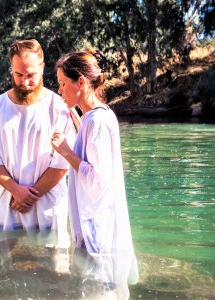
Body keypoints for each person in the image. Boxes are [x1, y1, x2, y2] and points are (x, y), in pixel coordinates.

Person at [51, 48, 139, 298]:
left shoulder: (96, 122)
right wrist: (77, 118)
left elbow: (97, 180)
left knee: (97, 290)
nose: (59, 90)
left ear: (81, 82)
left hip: (98, 232)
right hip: (103, 226)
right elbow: (93, 154)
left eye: (62, 84)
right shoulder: (100, 116)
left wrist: (66, 151)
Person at [0, 39, 75, 253]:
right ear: (11, 70)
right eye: (18, 75)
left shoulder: (58, 107)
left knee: (57, 273)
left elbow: (62, 164)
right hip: (8, 203)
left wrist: (30, 195)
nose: (24, 82)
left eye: (30, 75)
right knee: (7, 275)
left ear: (42, 68)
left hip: (48, 205)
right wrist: (16, 191)